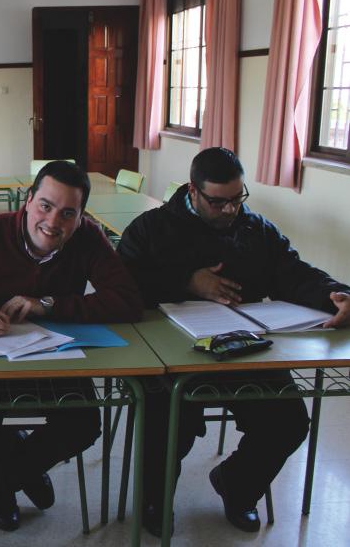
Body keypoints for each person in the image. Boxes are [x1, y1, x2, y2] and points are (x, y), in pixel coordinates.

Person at [117, 147, 350, 536]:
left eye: (237, 199)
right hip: (169, 356)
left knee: (289, 421)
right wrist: (186, 283)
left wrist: (336, 295)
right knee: (171, 421)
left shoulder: (255, 229)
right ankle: (154, 500)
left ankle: (237, 485)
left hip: (242, 349)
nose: (229, 211)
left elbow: (293, 272)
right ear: (193, 191)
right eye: (218, 202)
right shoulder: (150, 230)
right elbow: (122, 289)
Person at [0, 160, 142, 532]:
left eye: (69, 213)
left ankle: (5, 482)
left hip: (56, 358)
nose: (53, 222)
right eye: (45, 206)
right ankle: (22, 470)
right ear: (28, 200)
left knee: (83, 425)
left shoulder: (88, 239)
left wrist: (50, 305)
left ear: (82, 217)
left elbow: (128, 301)